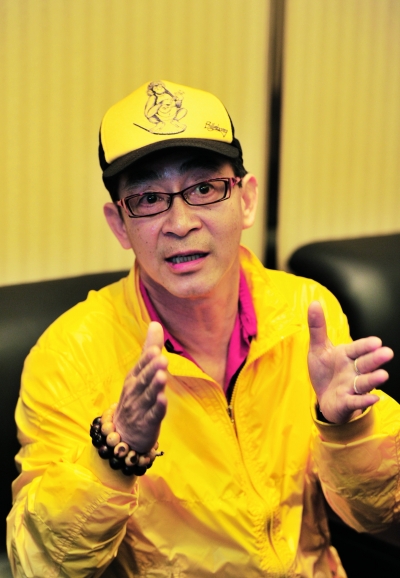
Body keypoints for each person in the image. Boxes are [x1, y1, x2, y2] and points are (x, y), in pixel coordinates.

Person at [6, 79, 399, 578]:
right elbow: (37, 566)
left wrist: (347, 429)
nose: (180, 222)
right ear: (119, 224)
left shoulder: (306, 311)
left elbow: (380, 517)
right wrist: (113, 454)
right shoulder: (69, 355)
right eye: (149, 198)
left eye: (205, 189)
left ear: (246, 199)